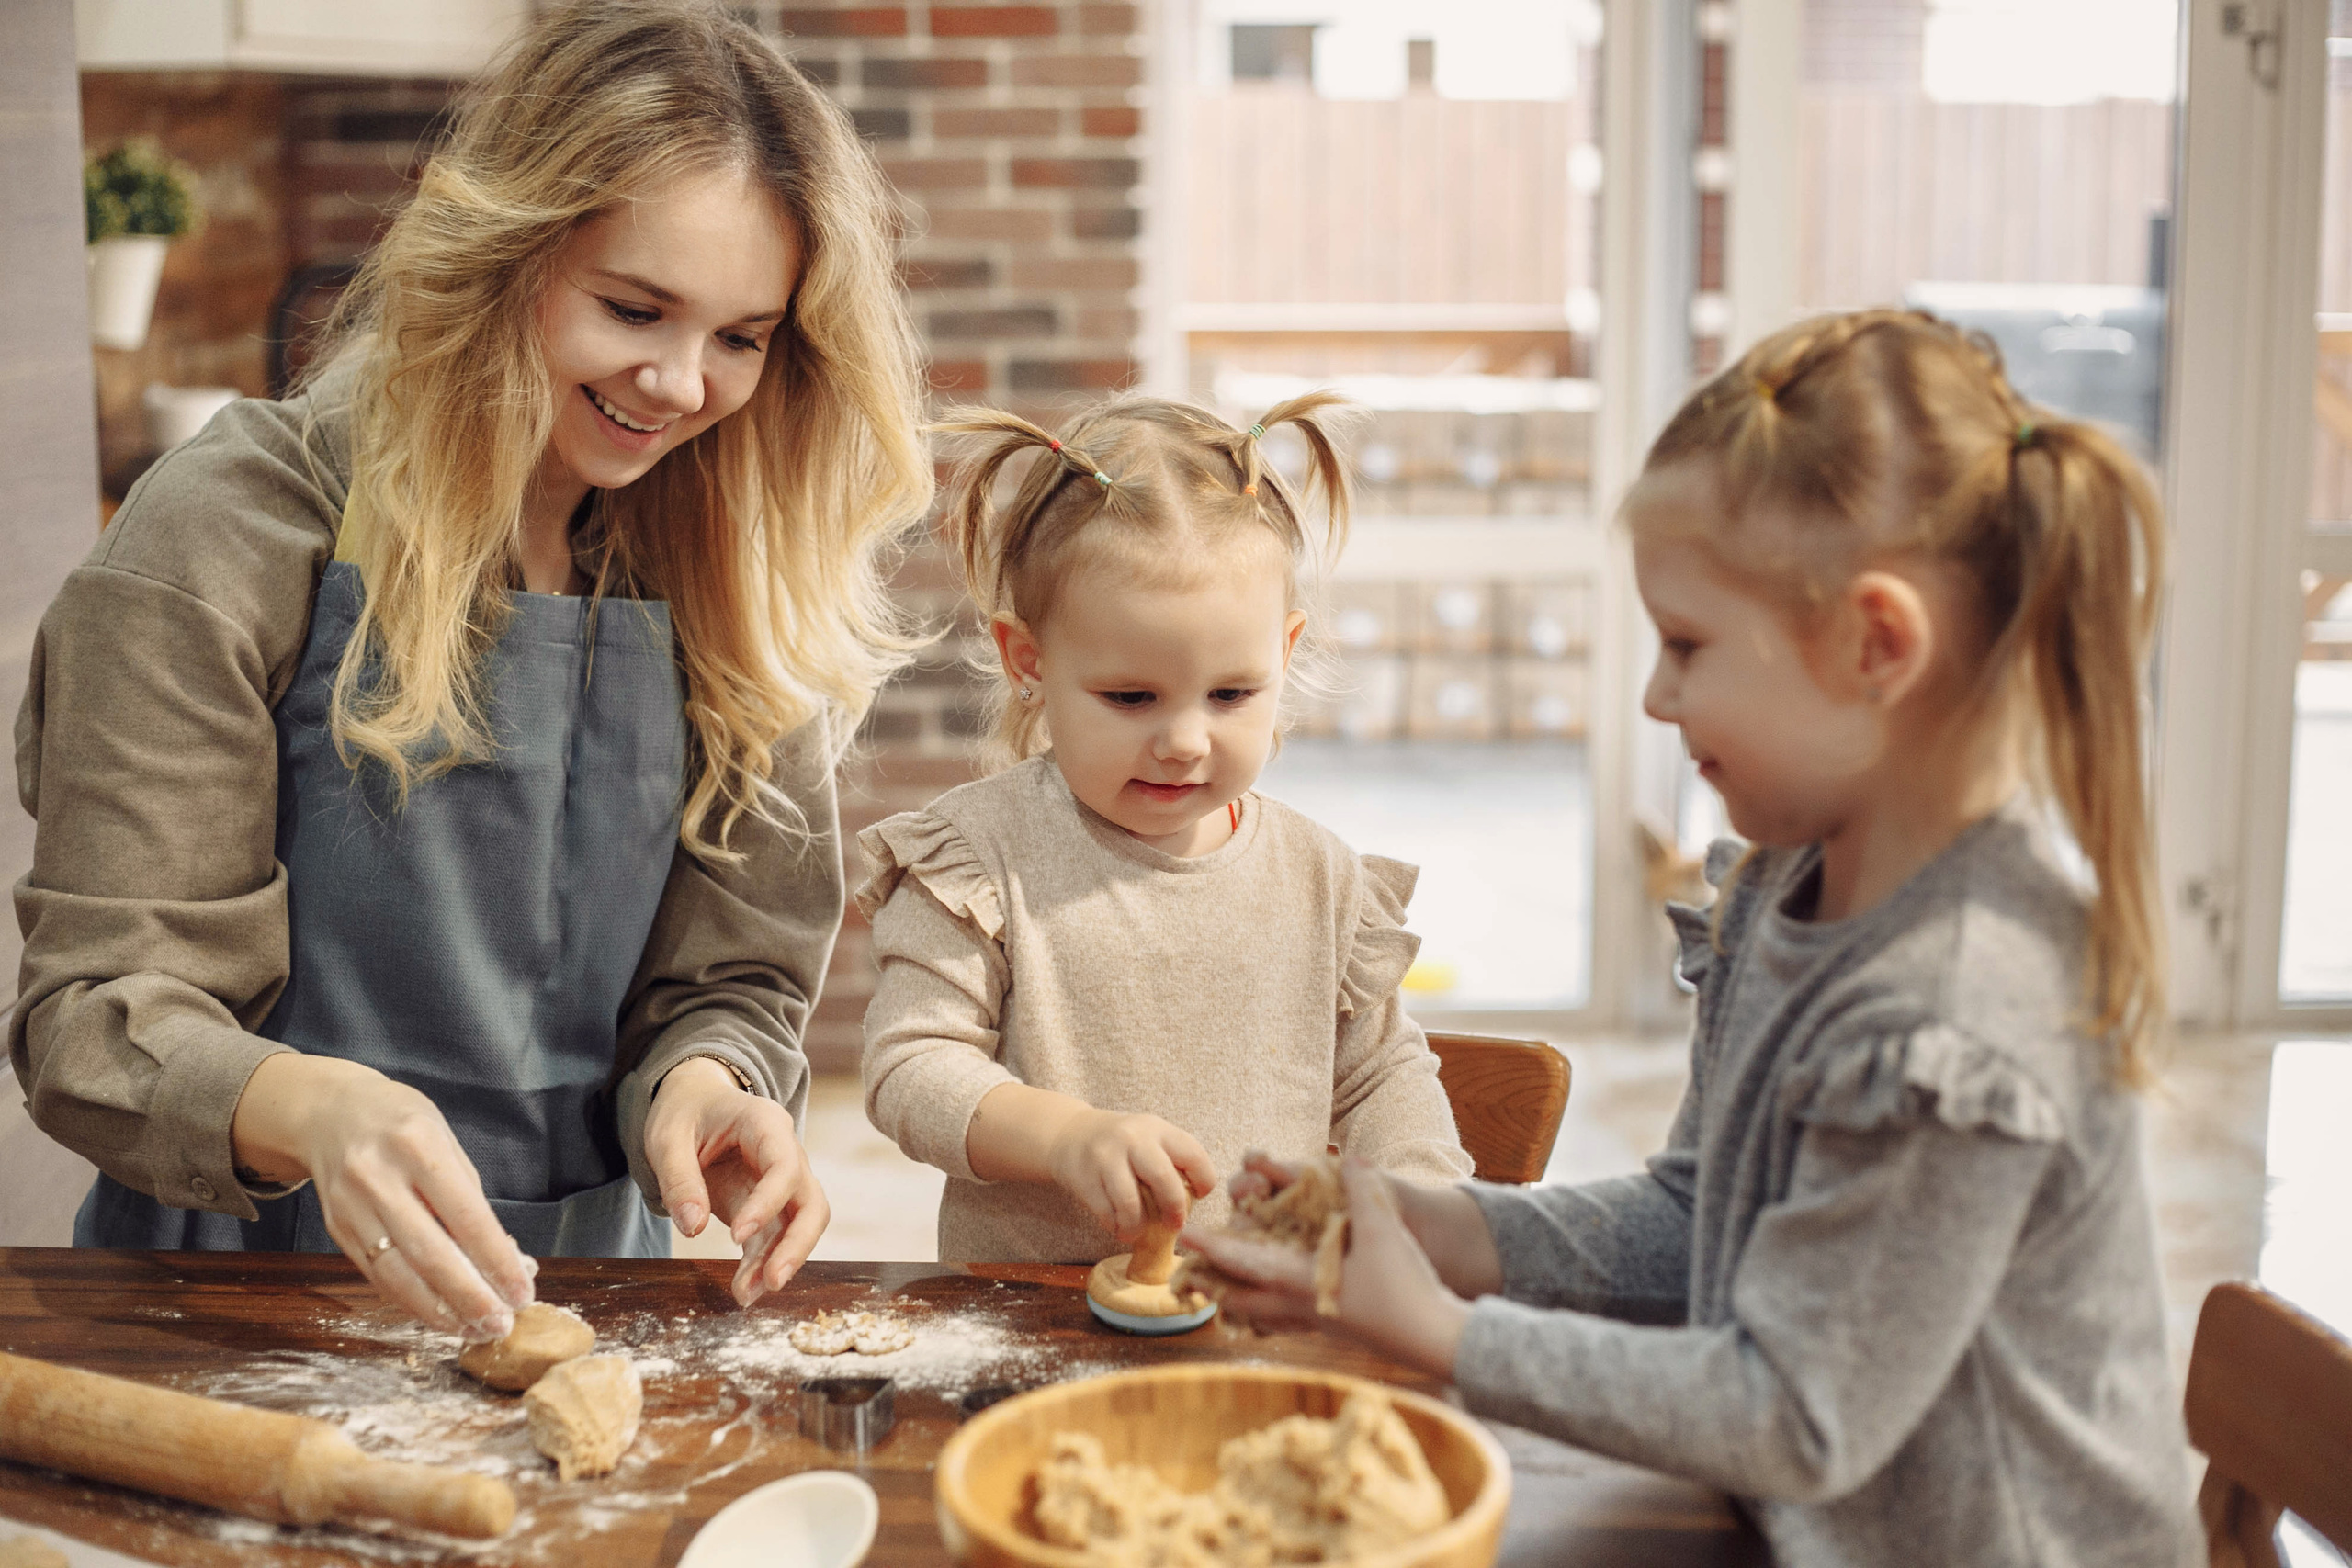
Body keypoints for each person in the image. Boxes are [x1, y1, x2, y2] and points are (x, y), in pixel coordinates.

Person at [1182, 311, 2202, 1566]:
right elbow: (1701, 1219)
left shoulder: (1954, 1006)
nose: (1658, 697)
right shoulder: (1787, 884)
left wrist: (1442, 1331)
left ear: (1877, 645)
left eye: (1688, 645)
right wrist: (1436, 1223)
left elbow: (1794, 1410)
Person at [11, 0, 931, 1336]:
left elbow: (729, 979)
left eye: (744, 335)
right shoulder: (224, 530)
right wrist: (321, 1110)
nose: (681, 383)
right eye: (634, 306)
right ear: (496, 248)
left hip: (591, 1304)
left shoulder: (734, 568)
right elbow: (95, 1019)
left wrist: (710, 1083)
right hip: (224, 1313)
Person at [856, 394, 1471, 1263]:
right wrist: (1064, 1137)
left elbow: (1381, 1075)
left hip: (1253, 1308)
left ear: (1284, 653)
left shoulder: (1320, 878)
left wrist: (1422, 1198)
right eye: (1131, 697)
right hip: (1030, 1314)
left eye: (1231, 694)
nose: (1185, 740)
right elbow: (910, 1066)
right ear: (1029, 661)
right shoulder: (978, 862)